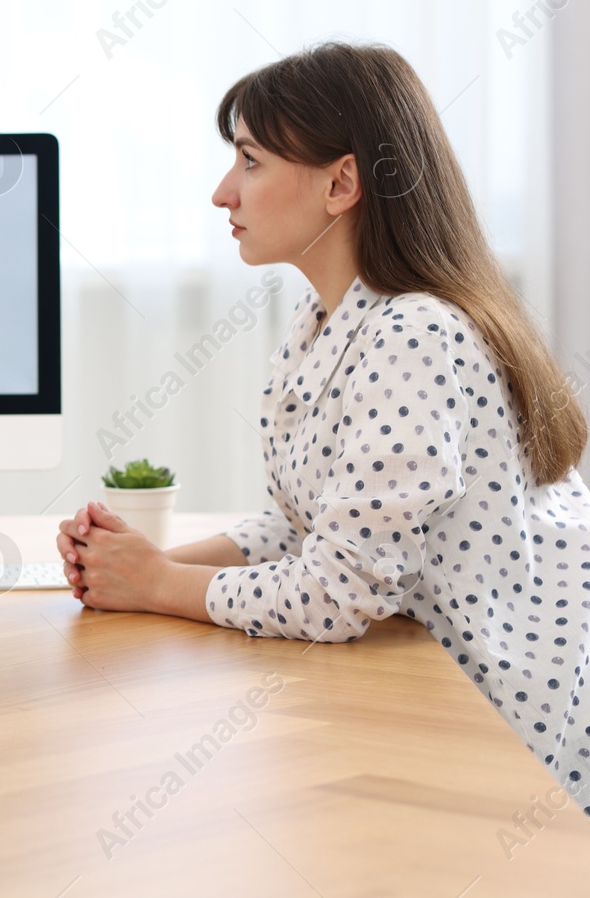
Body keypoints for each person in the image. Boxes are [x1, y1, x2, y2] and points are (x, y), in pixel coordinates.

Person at [57, 42, 590, 812]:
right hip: (414, 677)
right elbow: (307, 527)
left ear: (341, 183)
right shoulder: (326, 321)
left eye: (248, 161)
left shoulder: (415, 335)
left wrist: (158, 584)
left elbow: (336, 592)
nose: (220, 193)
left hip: (494, 722)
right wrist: (138, 564)